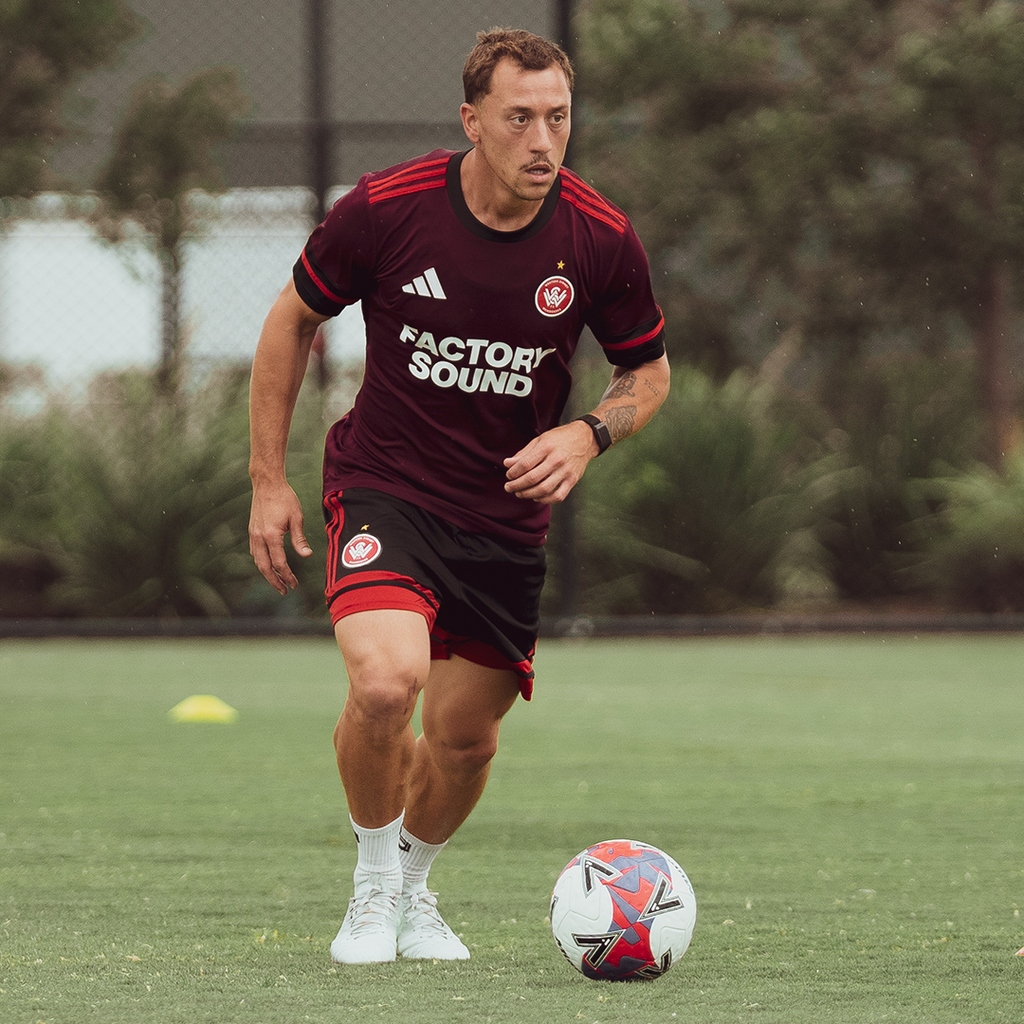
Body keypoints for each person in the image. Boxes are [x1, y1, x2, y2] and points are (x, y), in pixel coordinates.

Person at [248, 28, 670, 964]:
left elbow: (649, 371)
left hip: (504, 520)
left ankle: (412, 887)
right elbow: (291, 322)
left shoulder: (599, 237)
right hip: (386, 487)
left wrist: (589, 432)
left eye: (558, 118)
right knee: (387, 682)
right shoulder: (388, 209)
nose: (543, 141)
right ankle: (368, 891)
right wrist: (269, 481)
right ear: (473, 121)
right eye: (520, 118)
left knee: (465, 740)